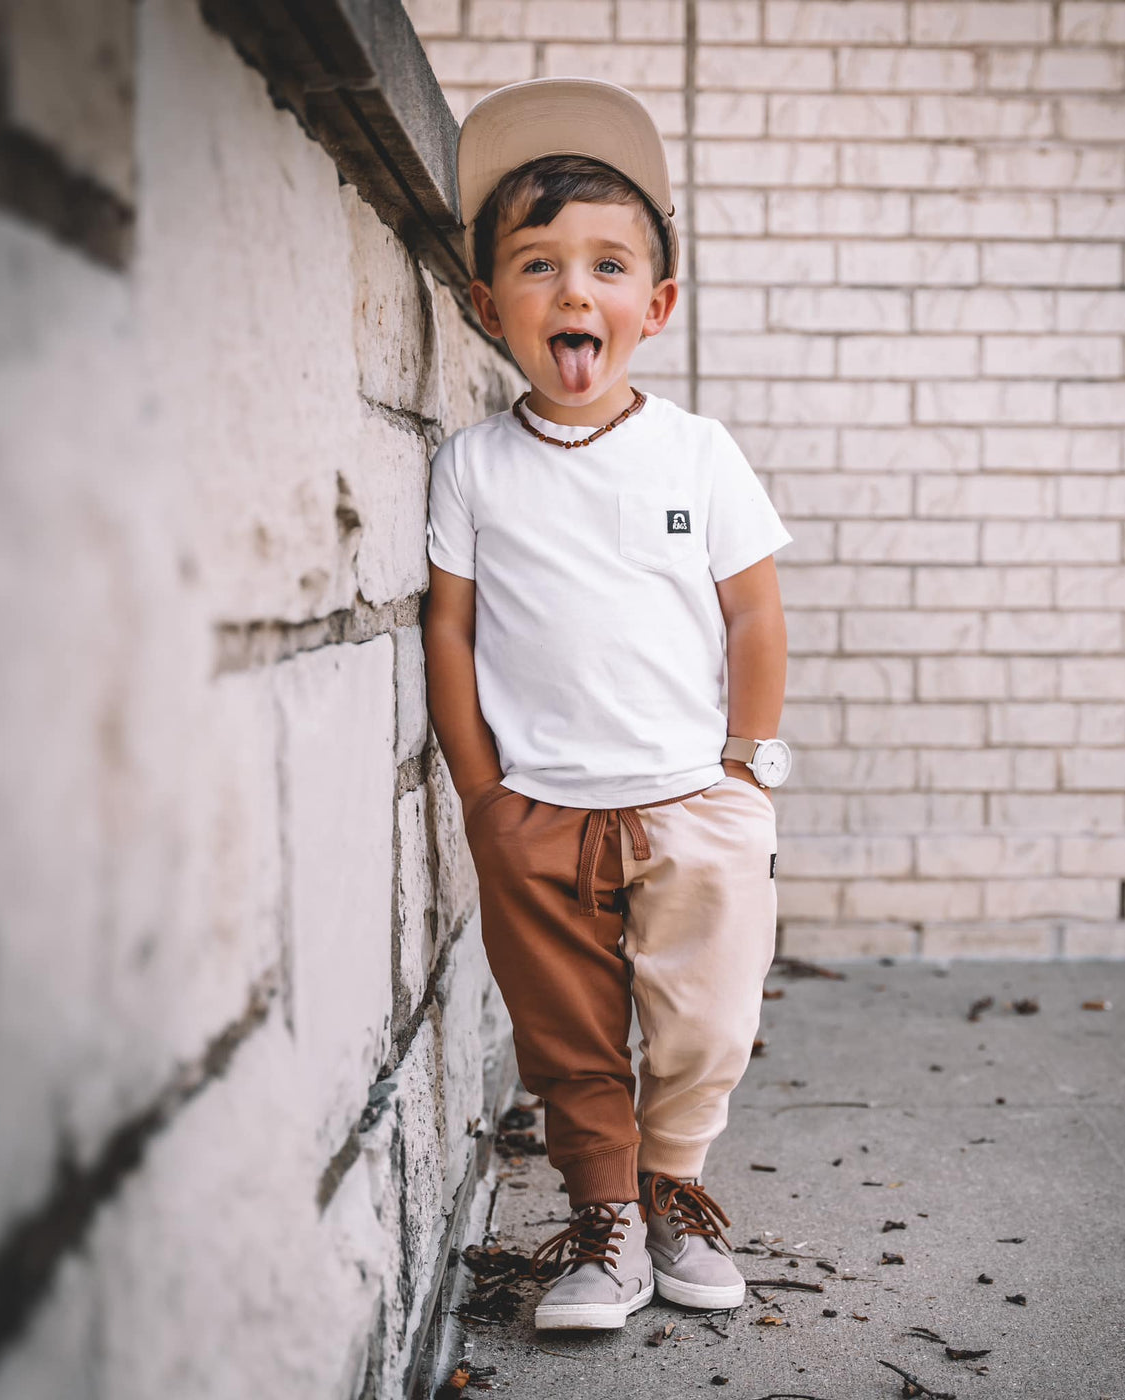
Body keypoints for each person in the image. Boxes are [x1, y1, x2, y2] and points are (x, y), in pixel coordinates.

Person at [423, 76, 794, 1332]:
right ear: (488, 308)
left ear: (656, 303)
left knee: (705, 1015)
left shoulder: (697, 451)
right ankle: (604, 1220)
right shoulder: (471, 467)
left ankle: (673, 1178)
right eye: (536, 265)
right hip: (536, 807)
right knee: (567, 1034)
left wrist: (747, 768)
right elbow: (451, 625)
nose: (572, 290)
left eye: (606, 264)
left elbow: (753, 612)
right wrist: (481, 794)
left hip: (693, 798)